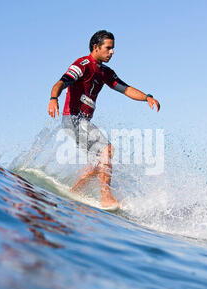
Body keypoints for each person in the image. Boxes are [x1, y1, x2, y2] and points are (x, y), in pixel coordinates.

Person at [48, 30, 160, 209]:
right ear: (96, 47)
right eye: (108, 48)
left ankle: (74, 192)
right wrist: (54, 98)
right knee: (107, 150)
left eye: (113, 48)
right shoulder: (82, 64)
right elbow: (61, 82)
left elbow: (126, 89)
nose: (112, 52)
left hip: (83, 121)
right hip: (73, 118)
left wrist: (147, 97)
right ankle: (106, 197)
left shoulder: (105, 72)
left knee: (98, 164)